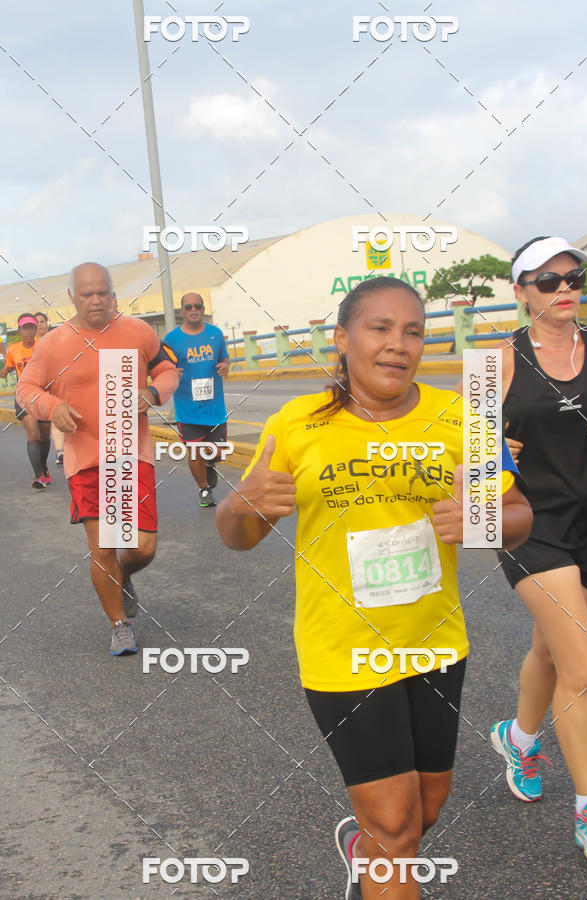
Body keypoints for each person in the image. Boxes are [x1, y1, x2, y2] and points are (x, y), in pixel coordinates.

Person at [216, 276, 532, 899]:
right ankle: (378, 848)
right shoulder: (297, 423)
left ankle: (366, 856)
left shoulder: (461, 420)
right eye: (379, 328)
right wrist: (238, 505)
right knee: (394, 821)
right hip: (343, 651)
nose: (398, 344)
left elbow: (519, 515)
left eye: (412, 331)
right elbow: (239, 533)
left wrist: (486, 520)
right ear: (342, 339)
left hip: (435, 645)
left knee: (424, 811)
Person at [487, 236, 587, 861]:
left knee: (553, 650)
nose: (564, 288)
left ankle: (520, 738)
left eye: (572, 276)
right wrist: (497, 457)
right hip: (533, 526)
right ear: (521, 292)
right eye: (547, 280)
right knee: (585, 667)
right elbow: (468, 450)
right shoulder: (498, 361)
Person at [17, 262, 179, 655]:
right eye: (87, 294)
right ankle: (119, 624)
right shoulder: (54, 343)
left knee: (142, 548)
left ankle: (121, 576)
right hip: (86, 457)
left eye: (102, 292)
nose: (95, 300)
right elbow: (25, 388)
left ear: (112, 294)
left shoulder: (137, 331)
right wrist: (51, 405)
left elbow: (168, 369)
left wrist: (155, 393)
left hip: (132, 452)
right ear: (72, 297)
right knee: (104, 547)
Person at [164, 292, 230, 508]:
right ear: (182, 311)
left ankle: (210, 464)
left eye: (198, 306)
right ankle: (204, 489)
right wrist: (171, 372)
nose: (193, 310)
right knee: (194, 450)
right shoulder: (172, 339)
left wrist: (225, 366)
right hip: (187, 406)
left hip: (214, 406)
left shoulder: (215, 334)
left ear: (203, 310)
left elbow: (225, 358)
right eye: (189, 307)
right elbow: (162, 366)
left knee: (218, 451)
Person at [0, 313, 52, 489]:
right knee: (33, 435)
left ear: (36, 329)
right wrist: (4, 371)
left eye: (31, 327)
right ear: (20, 330)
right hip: (23, 397)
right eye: (25, 328)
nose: (28, 331)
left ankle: (43, 467)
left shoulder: (45, 346)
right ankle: (39, 477)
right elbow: (7, 368)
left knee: (45, 437)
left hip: (44, 396)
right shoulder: (14, 350)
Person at [34, 310, 65, 466]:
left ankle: (62, 452)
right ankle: (46, 459)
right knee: (45, 427)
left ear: (47, 324)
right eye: (37, 322)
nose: (40, 325)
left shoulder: (57, 340)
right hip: (39, 388)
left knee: (57, 417)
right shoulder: (30, 345)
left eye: (42, 321)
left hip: (58, 383)